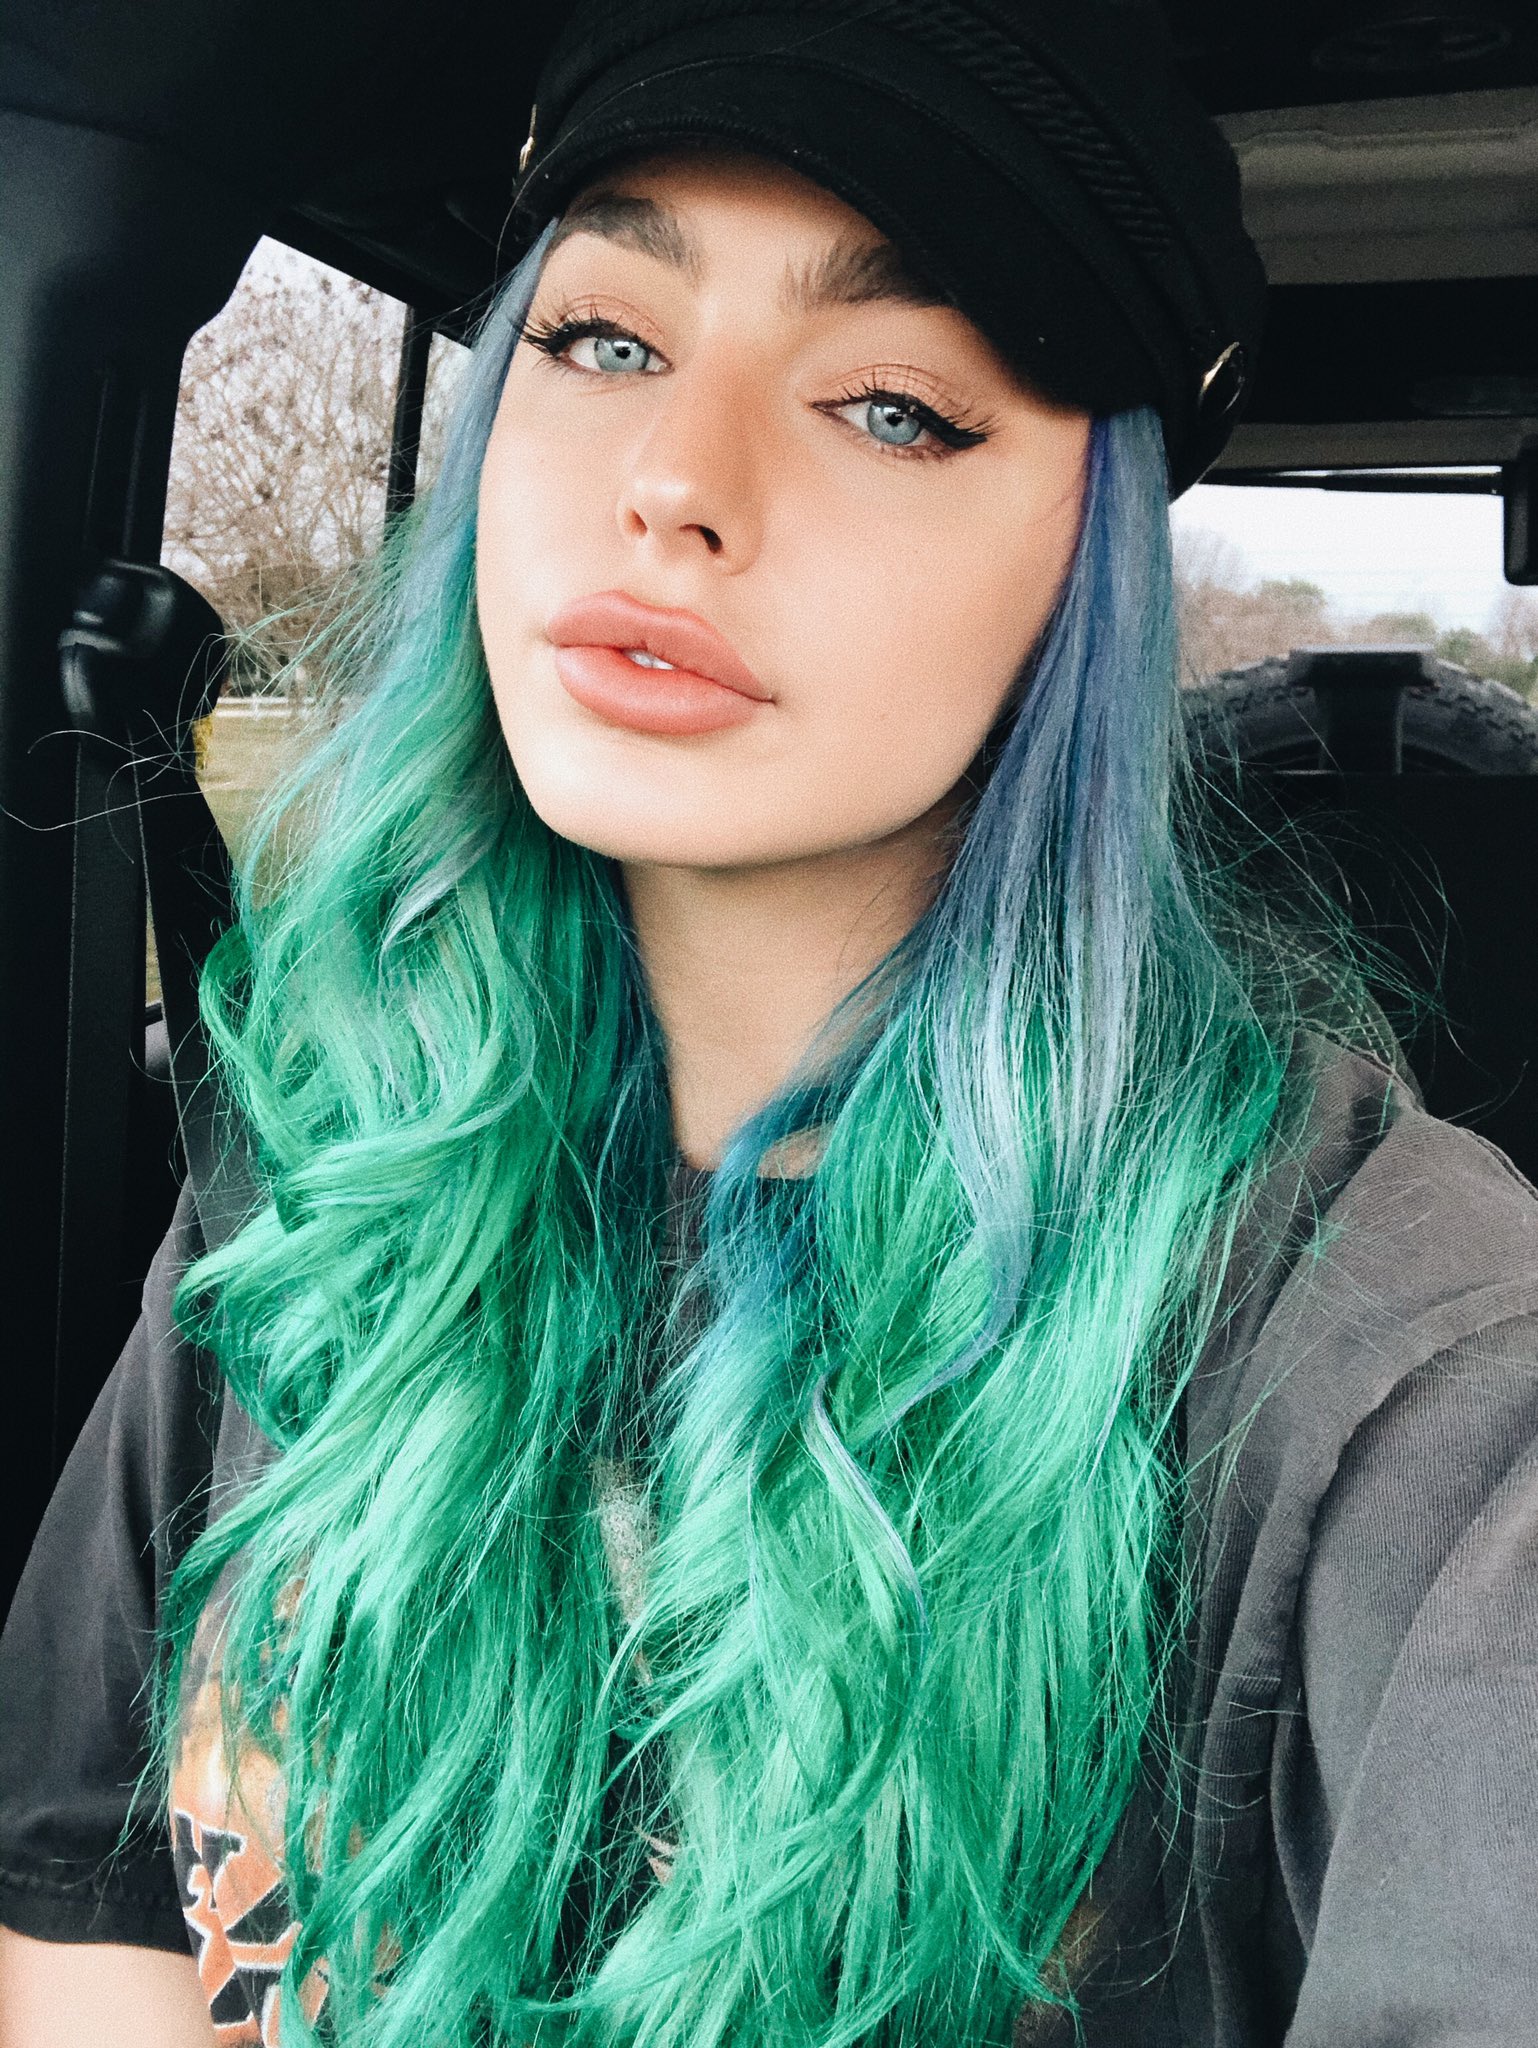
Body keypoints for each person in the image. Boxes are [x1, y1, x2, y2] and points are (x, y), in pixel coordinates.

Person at [4, 3, 1538, 2044]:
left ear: (1085, 561)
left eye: (891, 406)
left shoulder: (1406, 1379)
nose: (672, 480)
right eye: (601, 341)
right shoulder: (331, 1149)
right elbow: (87, 1895)